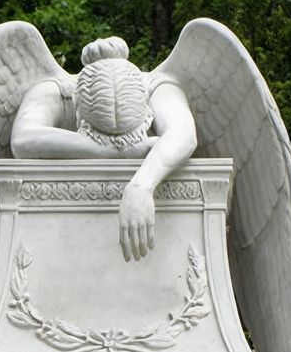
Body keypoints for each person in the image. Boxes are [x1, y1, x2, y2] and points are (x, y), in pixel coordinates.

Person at [10, 37, 197, 263]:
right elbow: (22, 139)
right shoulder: (56, 92)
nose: (118, 143)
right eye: (104, 137)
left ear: (146, 107)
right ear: (78, 106)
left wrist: (141, 186)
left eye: (128, 136)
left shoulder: (157, 87)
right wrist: (119, 151)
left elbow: (184, 133)